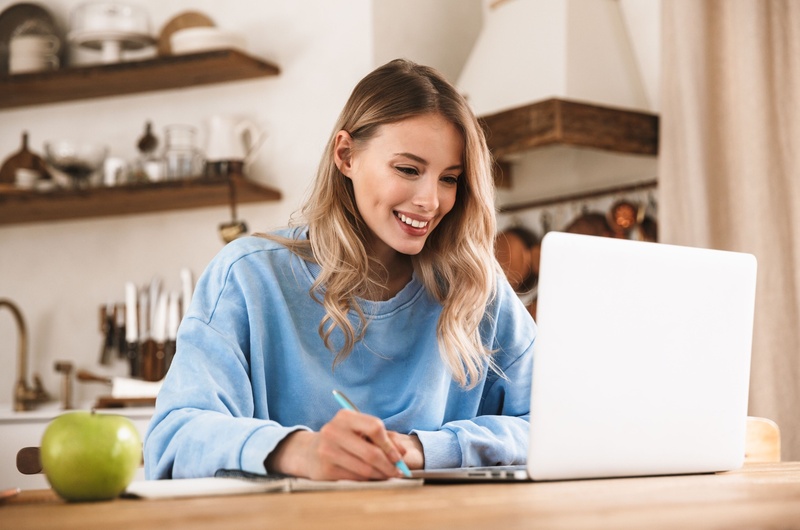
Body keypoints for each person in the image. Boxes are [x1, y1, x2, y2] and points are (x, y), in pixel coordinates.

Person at [144, 59, 537, 482]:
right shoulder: (248, 276)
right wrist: (297, 451)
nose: (430, 200)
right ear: (346, 155)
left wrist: (428, 449)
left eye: (449, 179)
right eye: (408, 170)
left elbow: (554, 423)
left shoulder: (476, 287)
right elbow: (172, 440)